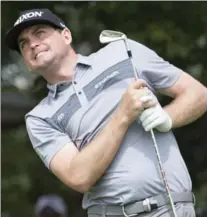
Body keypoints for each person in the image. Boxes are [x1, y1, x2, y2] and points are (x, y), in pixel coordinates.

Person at [5, 8, 207, 217]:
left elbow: (199, 94)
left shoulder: (123, 51)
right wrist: (123, 115)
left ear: (66, 35)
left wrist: (168, 117)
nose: (32, 44)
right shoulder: (40, 117)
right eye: (23, 44)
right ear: (27, 64)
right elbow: (79, 177)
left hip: (173, 208)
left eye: (39, 33)